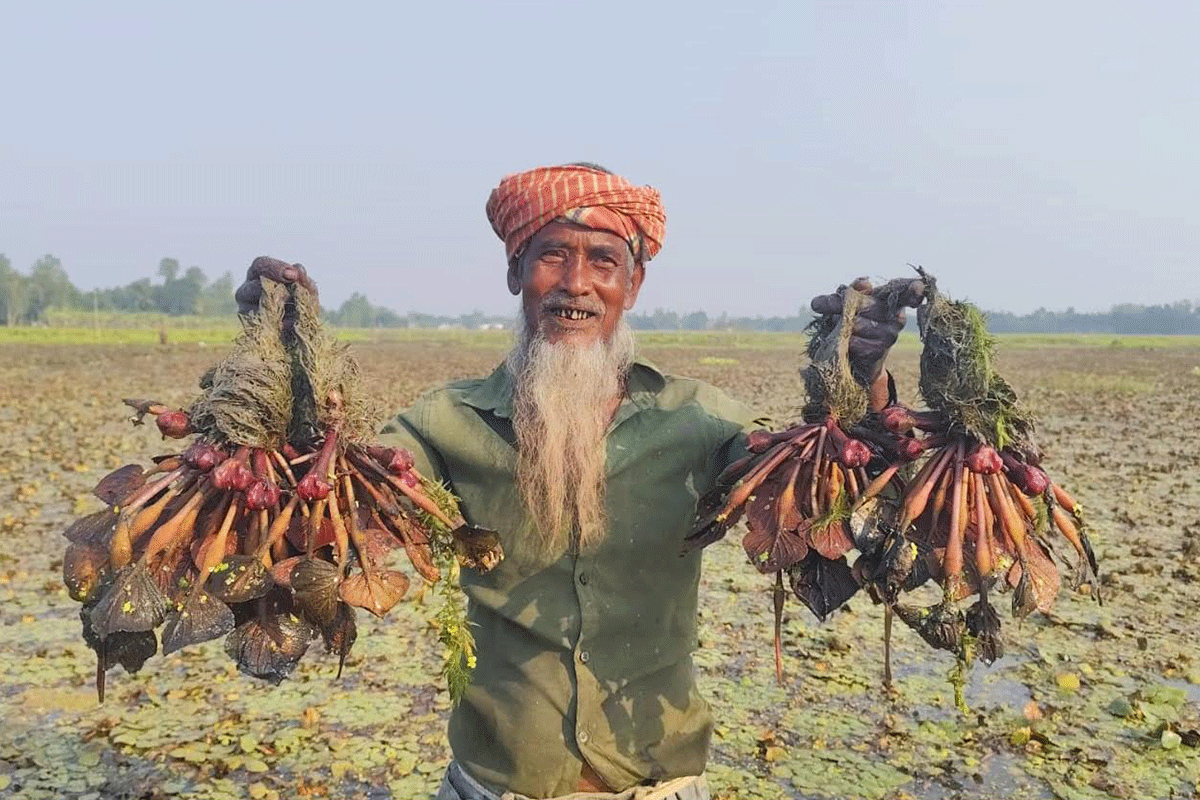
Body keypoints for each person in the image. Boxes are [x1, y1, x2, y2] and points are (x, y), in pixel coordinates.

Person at [237, 163, 917, 800]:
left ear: (633, 286)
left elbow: (828, 492)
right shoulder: (445, 423)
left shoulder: (703, 420)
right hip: (496, 781)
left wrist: (862, 384)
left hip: (664, 783)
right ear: (516, 272)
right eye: (553, 255)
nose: (576, 284)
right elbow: (324, 510)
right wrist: (285, 372)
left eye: (603, 261)